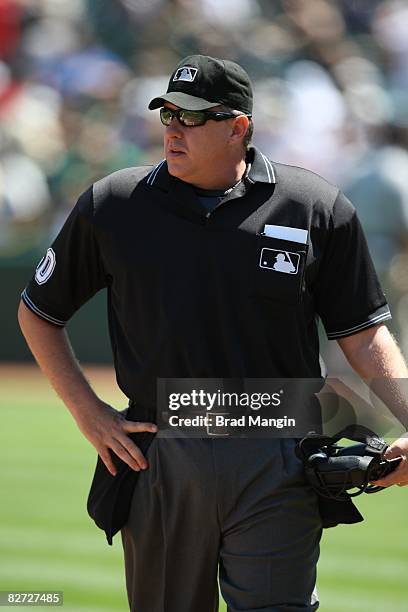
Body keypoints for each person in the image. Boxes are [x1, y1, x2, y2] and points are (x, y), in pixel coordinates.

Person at [18, 54, 408, 612]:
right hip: (162, 451)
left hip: (281, 448)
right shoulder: (115, 203)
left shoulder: (314, 206)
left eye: (192, 117)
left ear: (239, 127)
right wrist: (89, 412)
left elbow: (365, 334)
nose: (173, 130)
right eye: (167, 114)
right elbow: (38, 312)